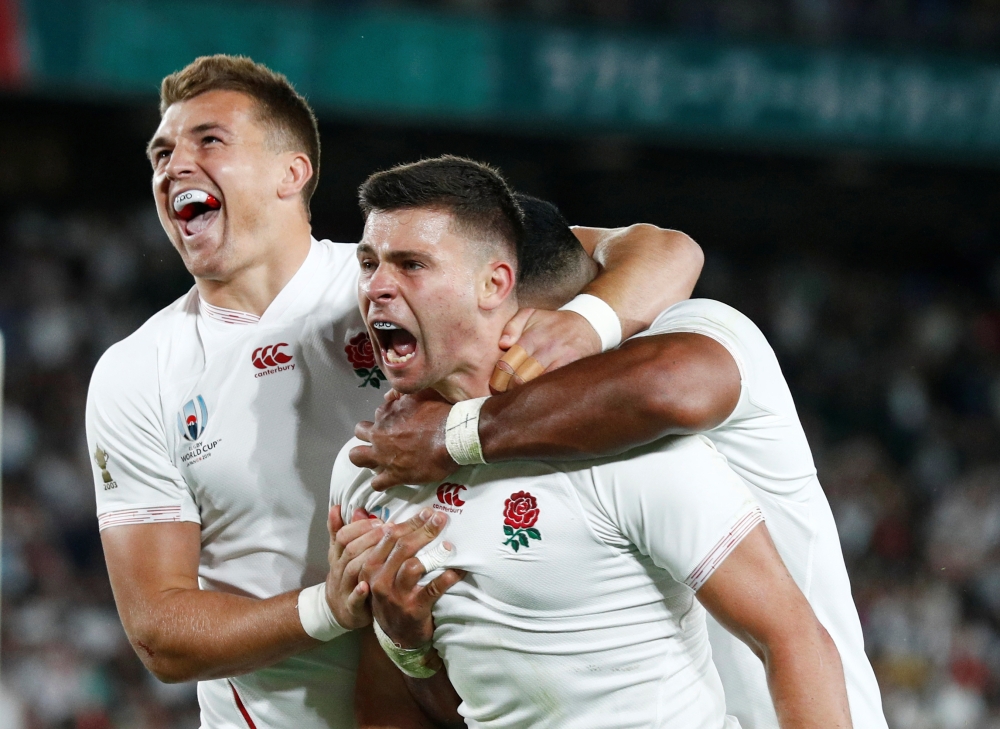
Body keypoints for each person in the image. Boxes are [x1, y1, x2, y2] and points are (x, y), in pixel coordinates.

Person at [83, 55, 705, 728]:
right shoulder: (137, 372)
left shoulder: (405, 273)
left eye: (209, 141)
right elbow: (161, 634)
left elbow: (665, 250)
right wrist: (330, 607)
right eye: (161, 152)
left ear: (292, 172)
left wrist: (585, 323)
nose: (174, 165)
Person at [331, 156, 852, 728]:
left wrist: (584, 326)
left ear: (501, 290)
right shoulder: (379, 463)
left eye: (413, 265)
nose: (378, 287)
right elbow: (461, 706)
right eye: (369, 263)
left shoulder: (650, 400)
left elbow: (665, 381)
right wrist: (407, 644)